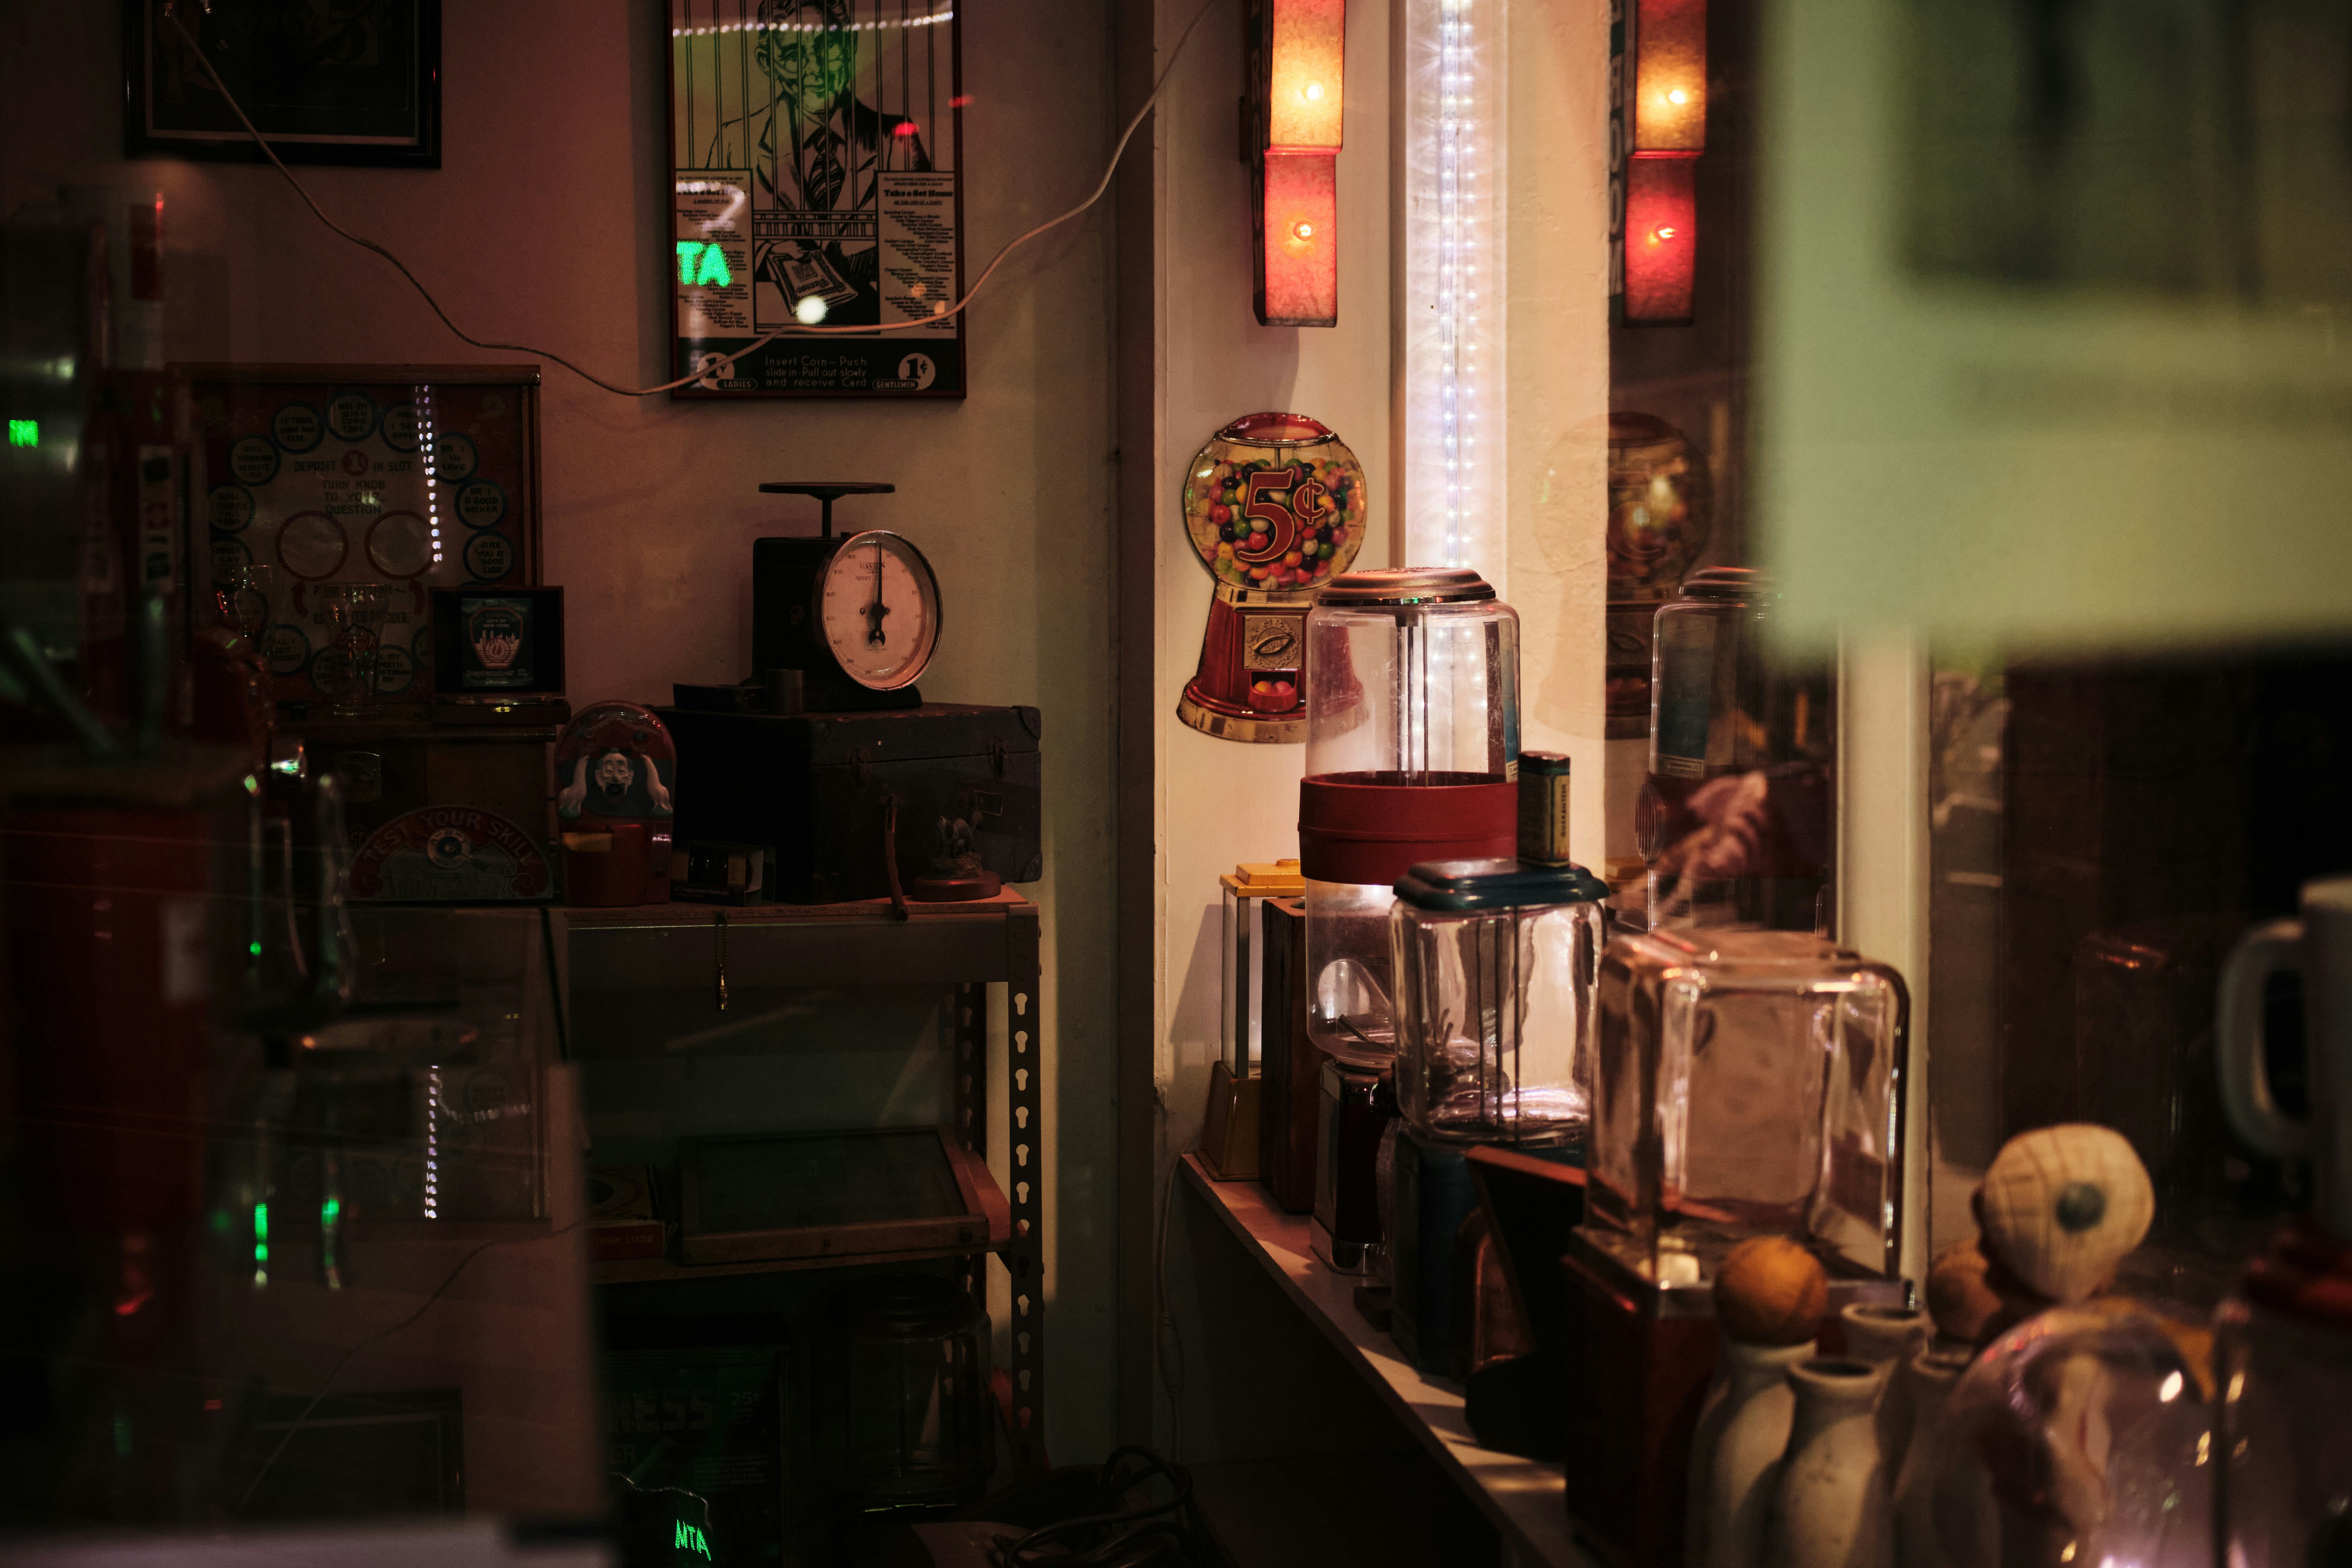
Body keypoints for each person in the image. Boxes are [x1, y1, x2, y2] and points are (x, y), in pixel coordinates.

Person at [699, 0, 931, 326]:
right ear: (768, 62)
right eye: (793, 56)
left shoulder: (897, 140)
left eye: (827, 47)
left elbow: (926, 254)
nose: (814, 67)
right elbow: (697, 260)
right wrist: (768, 256)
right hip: (768, 338)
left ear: (850, 47)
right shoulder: (734, 144)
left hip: (876, 337)